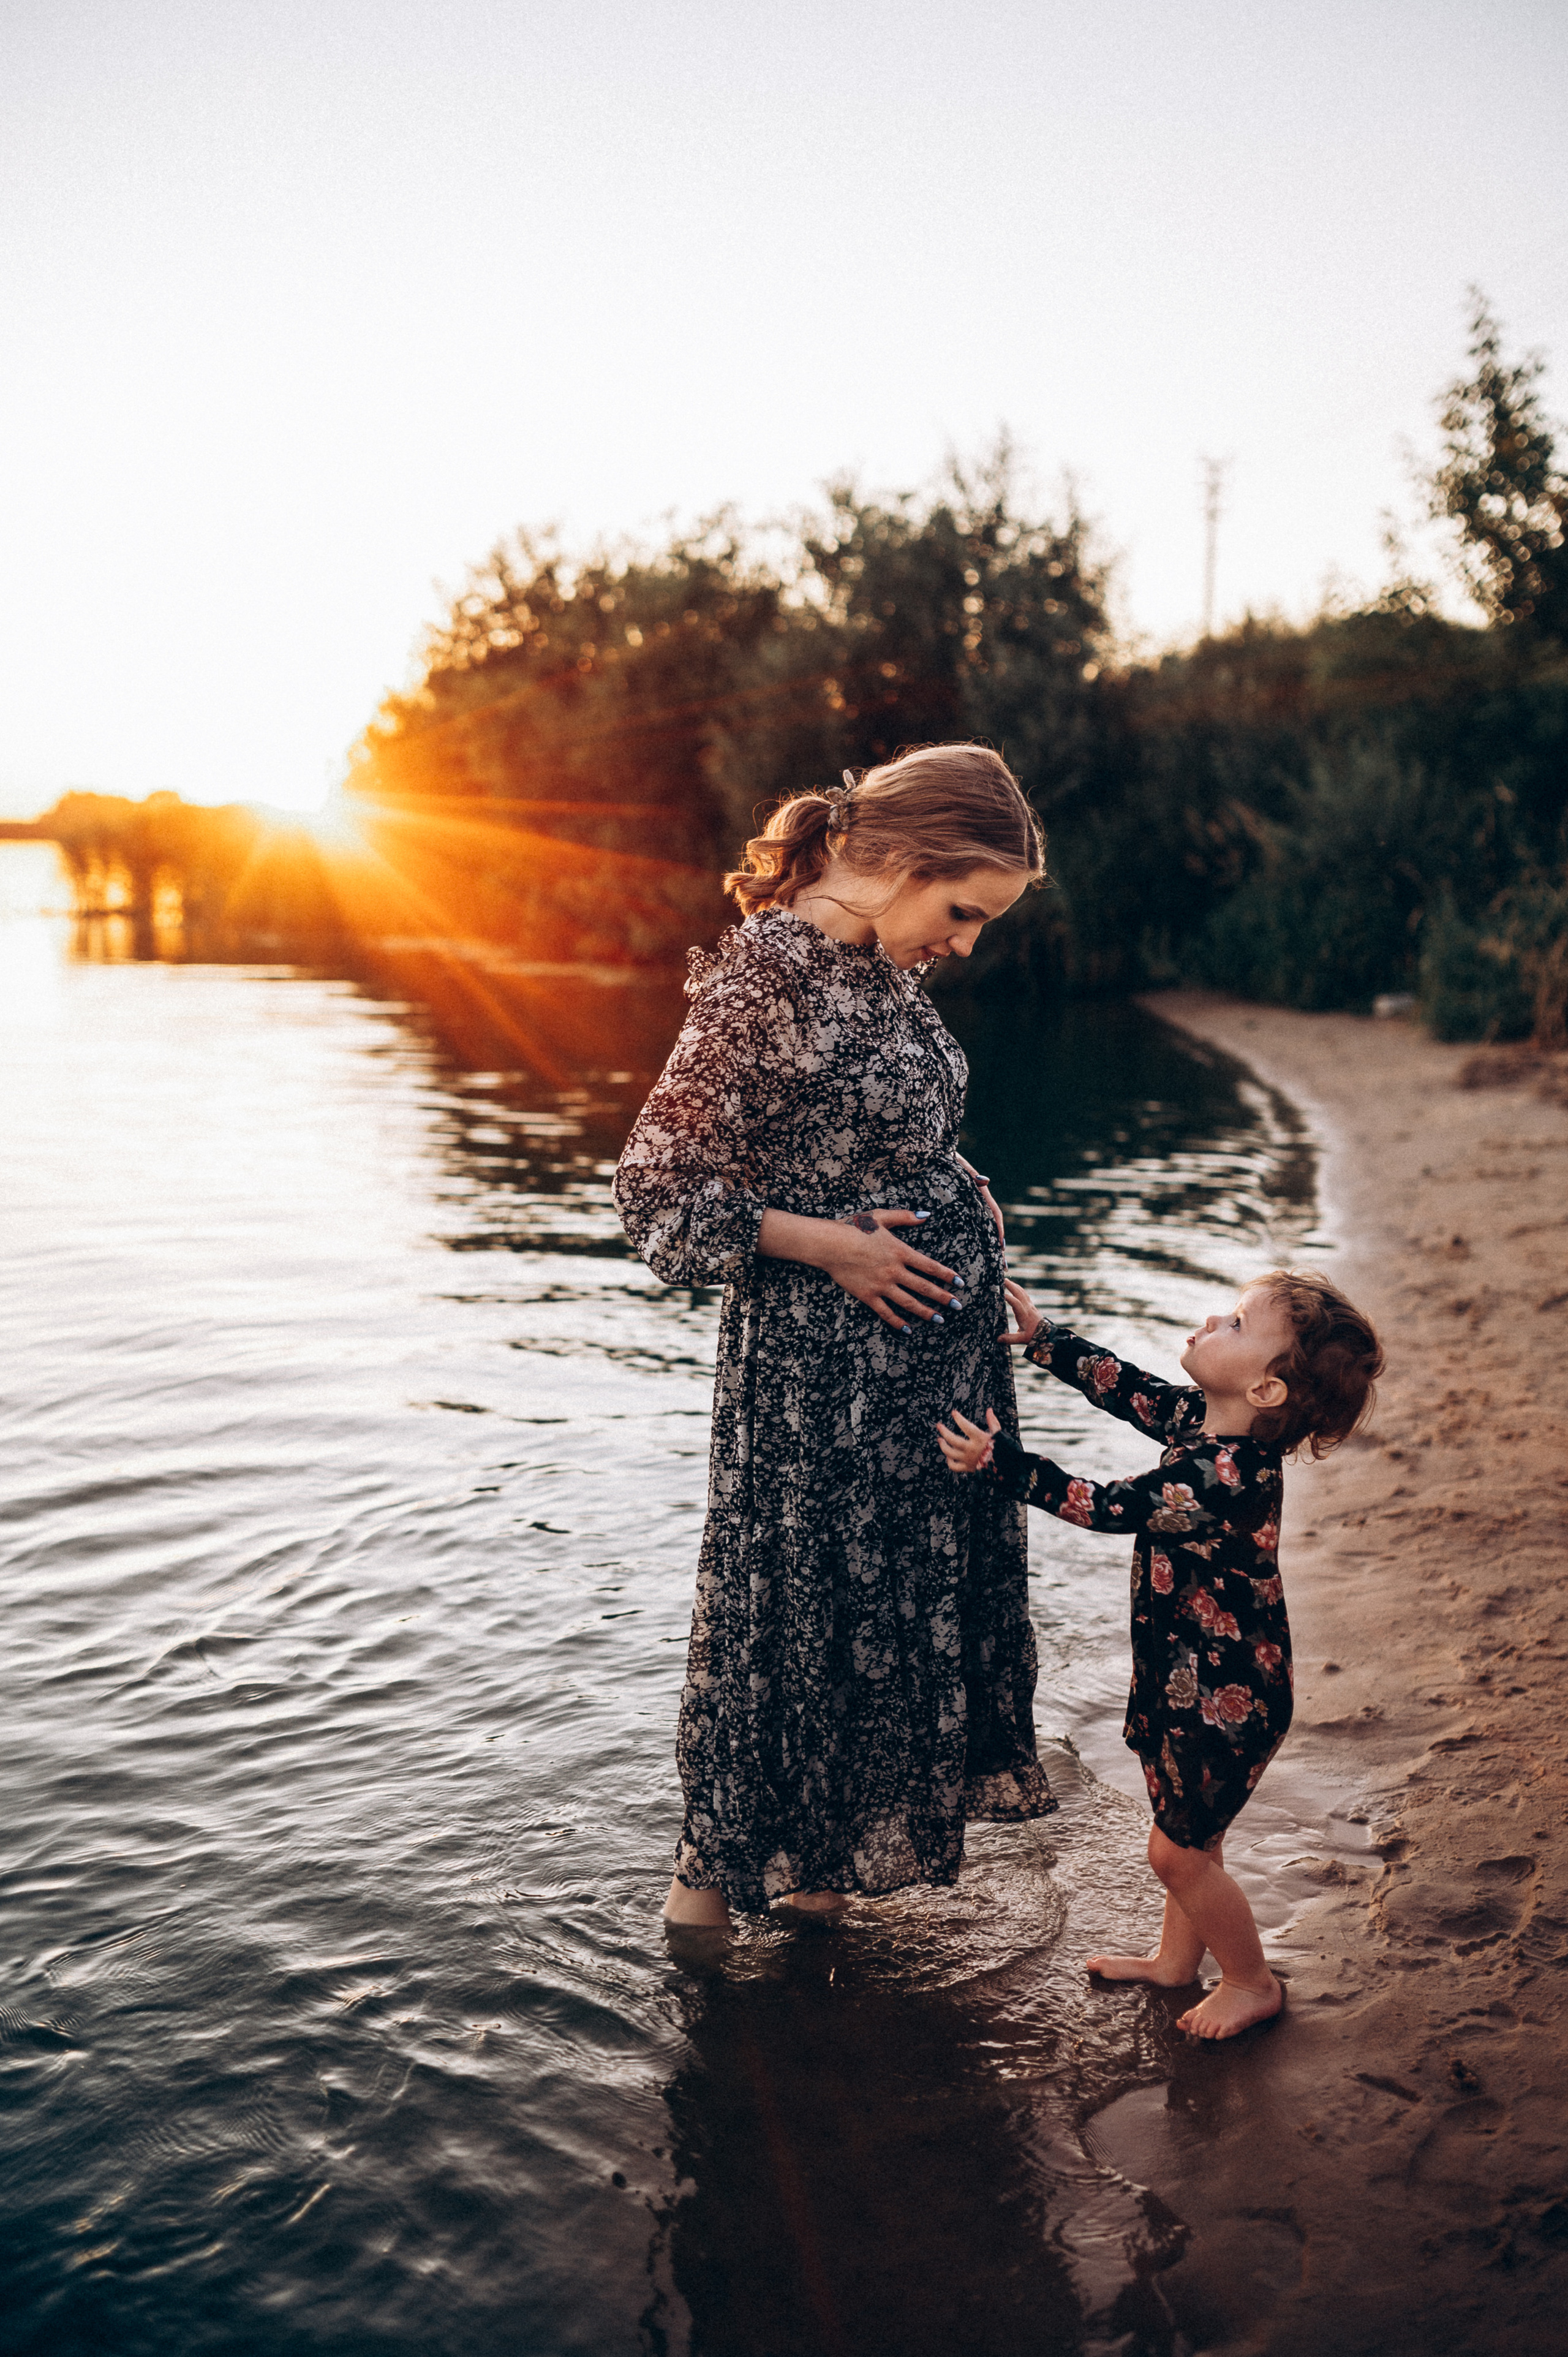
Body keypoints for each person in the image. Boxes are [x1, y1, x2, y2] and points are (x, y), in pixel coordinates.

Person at [614, 744, 1056, 1930]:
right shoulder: (766, 969)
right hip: (812, 1397)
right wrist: (835, 1247)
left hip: (911, 1413)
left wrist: (954, 1179)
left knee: (858, 1695)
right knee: (779, 1672)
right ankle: (707, 2027)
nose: (963, 944)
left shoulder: (882, 967)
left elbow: (849, 1124)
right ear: (903, 862)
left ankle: (818, 2013)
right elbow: (654, 1191)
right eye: (961, 911)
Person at [937, 1268, 1383, 2038]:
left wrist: (1000, 1463)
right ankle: (1178, 1962)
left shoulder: (1223, 1473)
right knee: (1192, 1837)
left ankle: (1250, 1979)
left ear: (1268, 1391)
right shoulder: (1205, 1429)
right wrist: (1048, 1343)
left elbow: (1111, 1505)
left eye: (1238, 1325)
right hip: (1188, 1685)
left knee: (1176, 1855)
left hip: (1226, 1701)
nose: (1214, 1320)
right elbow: (1132, 1391)